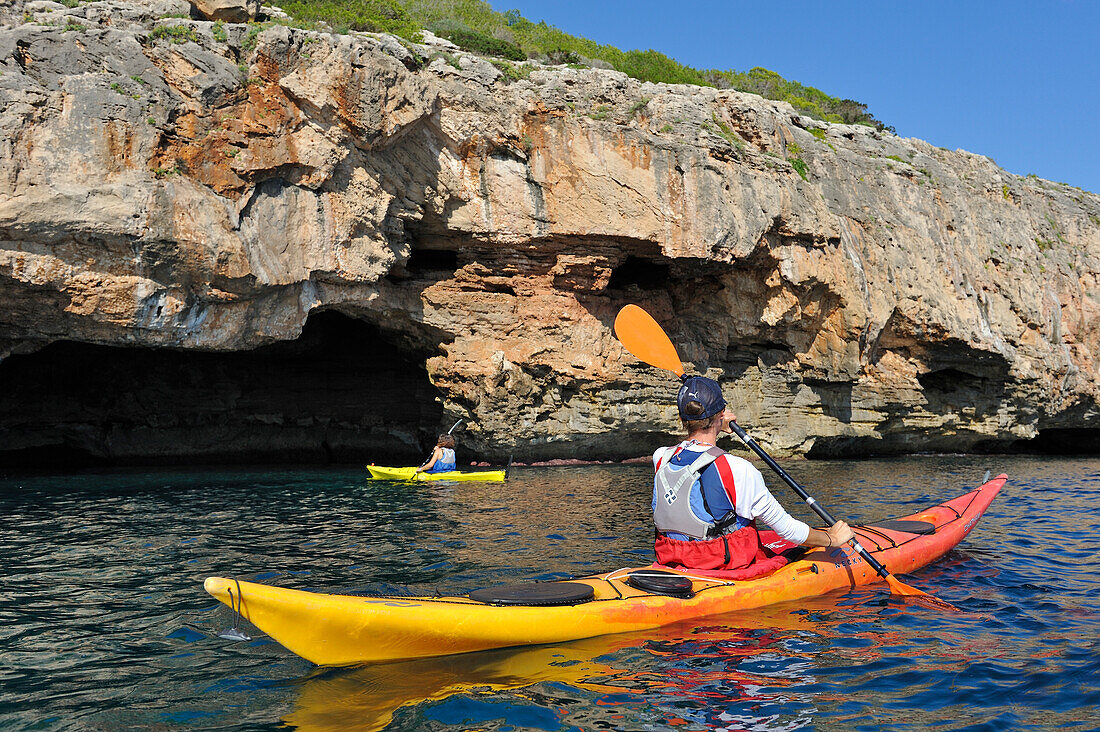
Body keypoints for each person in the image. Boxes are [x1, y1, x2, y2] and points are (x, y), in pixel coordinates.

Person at [652, 376, 854, 571]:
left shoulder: (661, 457)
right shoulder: (739, 469)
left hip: (672, 559)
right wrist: (832, 539)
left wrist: (715, 424)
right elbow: (788, 530)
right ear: (722, 413)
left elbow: (698, 451)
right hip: (719, 565)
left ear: (681, 418)